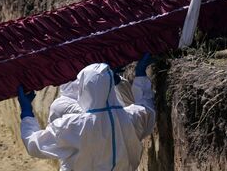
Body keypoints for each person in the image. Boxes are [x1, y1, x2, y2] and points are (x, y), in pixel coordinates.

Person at [18, 56, 155, 170]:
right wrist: (141, 74)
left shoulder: (74, 126)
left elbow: (34, 144)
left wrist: (26, 112)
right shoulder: (131, 117)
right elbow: (146, 107)